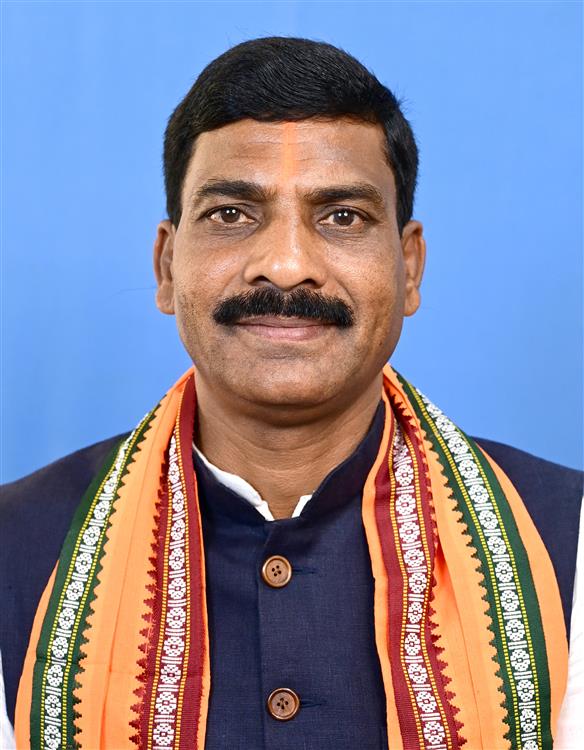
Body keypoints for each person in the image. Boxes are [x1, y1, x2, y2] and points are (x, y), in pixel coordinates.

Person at [1, 36, 582, 750]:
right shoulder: (15, 546)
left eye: (342, 216)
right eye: (231, 214)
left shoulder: (570, 542)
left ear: (409, 268)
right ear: (167, 266)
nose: (284, 265)